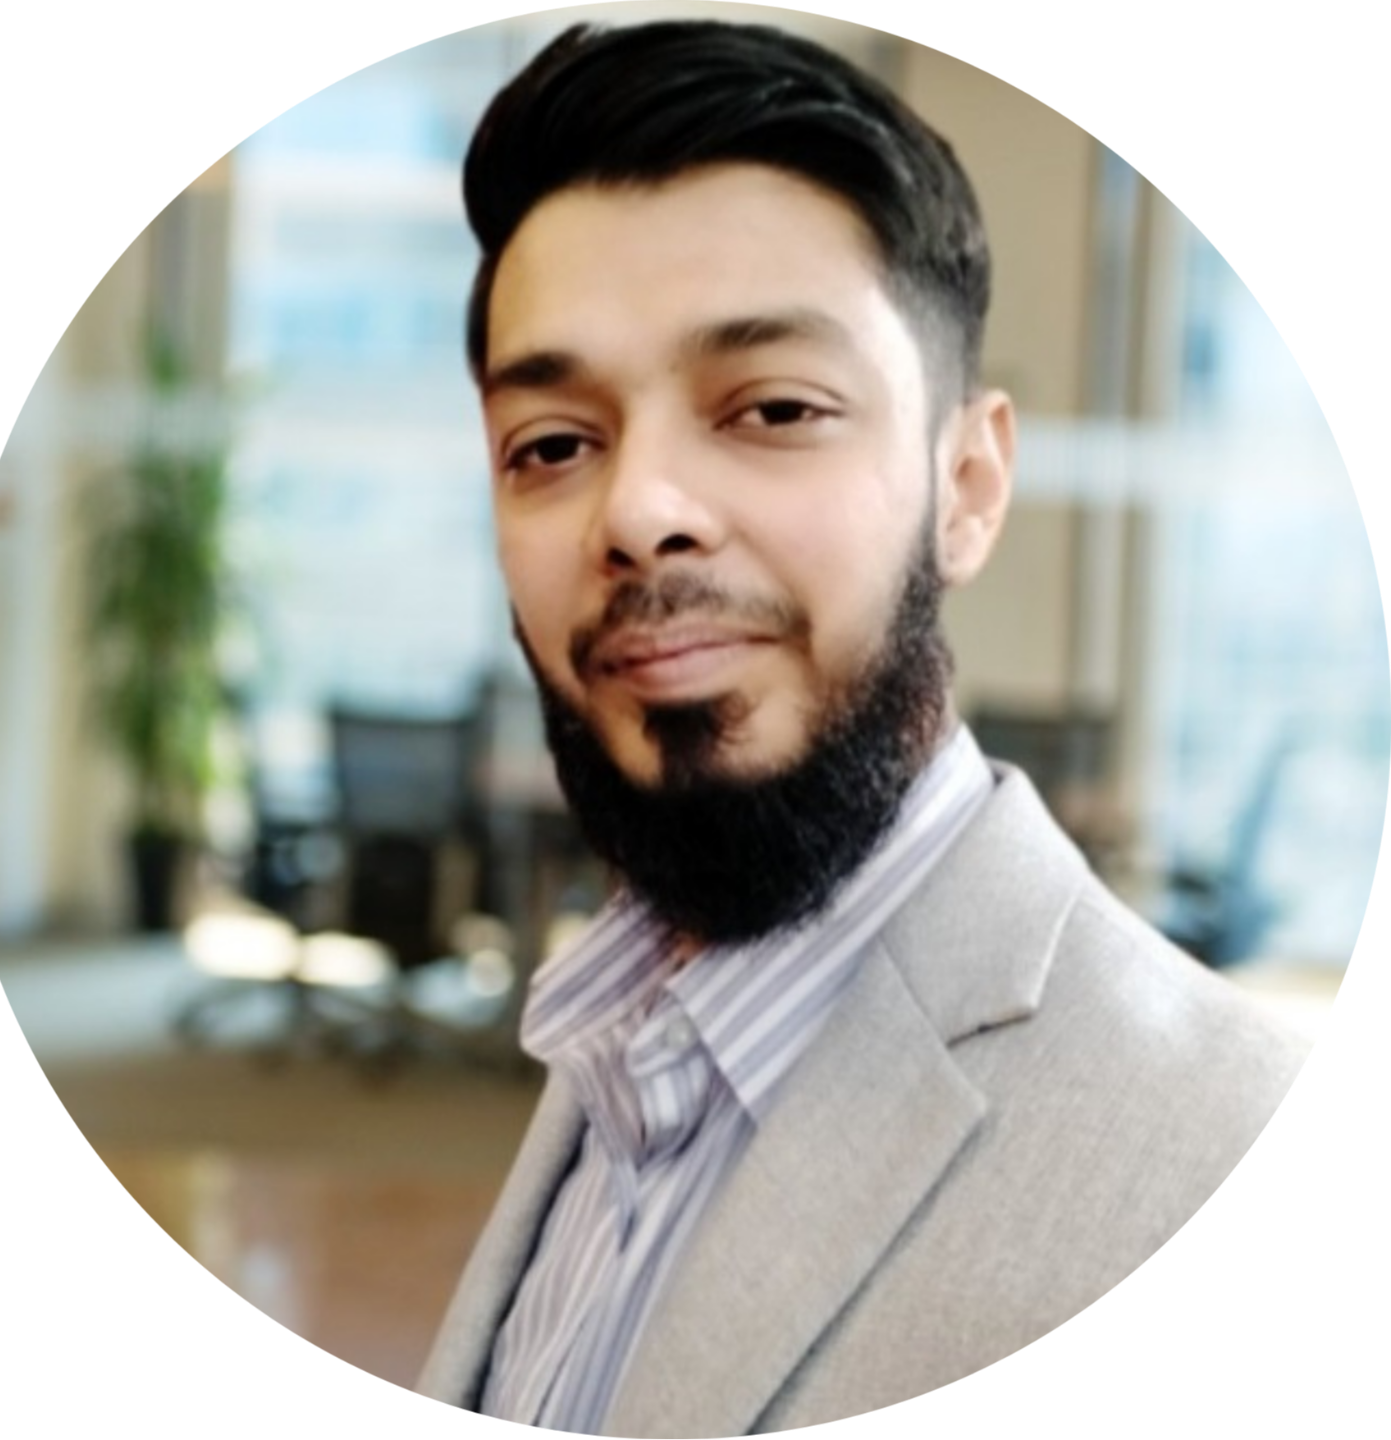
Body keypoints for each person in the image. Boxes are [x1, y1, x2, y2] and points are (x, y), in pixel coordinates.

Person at [416, 20, 1310, 1432]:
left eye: (774, 407)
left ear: (968, 487)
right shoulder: (611, 1042)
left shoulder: (1216, 1140)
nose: (637, 511)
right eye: (554, 445)